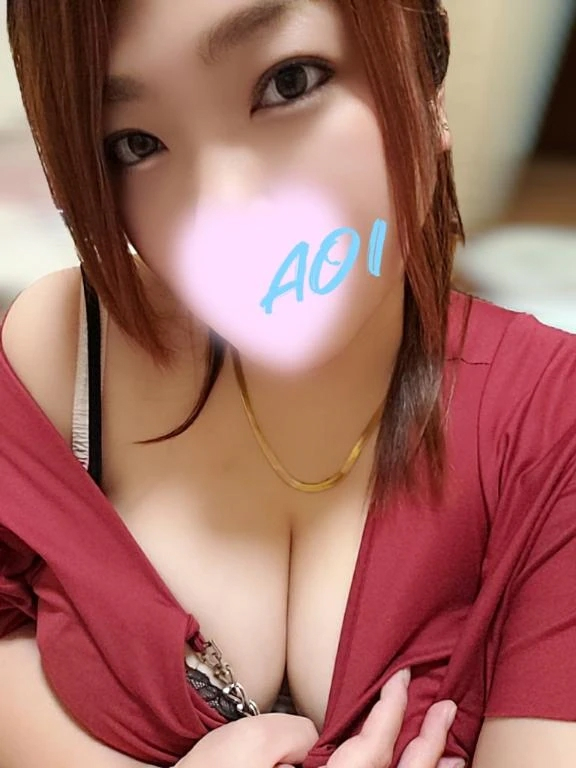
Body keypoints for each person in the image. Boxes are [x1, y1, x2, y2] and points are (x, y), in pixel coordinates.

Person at [1, 0, 576, 767]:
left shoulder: (552, 422)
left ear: (426, 72)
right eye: (134, 144)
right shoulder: (62, 352)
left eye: (289, 82)